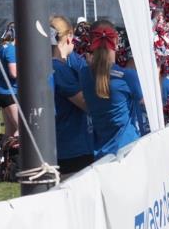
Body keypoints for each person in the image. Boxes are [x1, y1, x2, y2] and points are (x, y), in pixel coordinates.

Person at [78, 20, 146, 160]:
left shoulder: (84, 74)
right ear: (116, 40)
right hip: (128, 150)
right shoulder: (127, 75)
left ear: (91, 42)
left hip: (101, 153)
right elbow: (147, 104)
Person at [48, 16, 94, 176]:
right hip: (73, 149)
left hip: (61, 145)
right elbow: (87, 103)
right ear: (68, 37)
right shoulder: (60, 70)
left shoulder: (50, 67)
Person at [0, 24, 18, 136]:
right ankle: (18, 153)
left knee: (10, 131)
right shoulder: (11, 49)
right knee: (22, 128)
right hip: (10, 93)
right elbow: (14, 73)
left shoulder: (2, 47)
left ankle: (4, 153)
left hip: (2, 92)